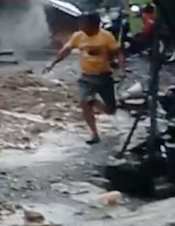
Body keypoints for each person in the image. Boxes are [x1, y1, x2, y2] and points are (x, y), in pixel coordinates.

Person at [45, 11, 120, 144]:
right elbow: (66, 50)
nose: (82, 27)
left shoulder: (106, 37)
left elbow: (117, 53)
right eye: (81, 24)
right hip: (87, 76)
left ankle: (95, 102)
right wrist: (53, 63)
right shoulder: (78, 36)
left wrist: (118, 64)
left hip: (104, 76)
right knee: (85, 103)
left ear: (95, 25)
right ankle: (94, 133)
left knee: (110, 110)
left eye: (84, 24)